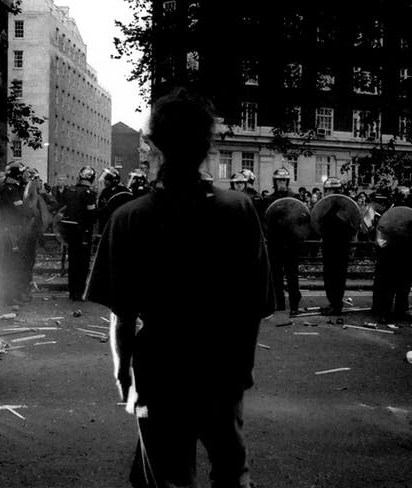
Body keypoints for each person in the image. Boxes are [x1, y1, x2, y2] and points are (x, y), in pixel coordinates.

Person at [86, 87, 274, 488]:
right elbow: (254, 304)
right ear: (207, 146)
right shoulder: (238, 211)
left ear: (154, 146)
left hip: (161, 367)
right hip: (222, 363)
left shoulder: (128, 219)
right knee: (230, 469)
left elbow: (122, 316)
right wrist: (242, 367)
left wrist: (125, 375)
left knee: (167, 475)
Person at [265, 166, 303, 314]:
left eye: (284, 180)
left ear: (287, 182)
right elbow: (265, 221)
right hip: (275, 242)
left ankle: (294, 305)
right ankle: (279, 303)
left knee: (292, 276)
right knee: (276, 276)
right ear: (275, 182)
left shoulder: (295, 199)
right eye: (279, 180)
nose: (281, 183)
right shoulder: (268, 199)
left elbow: (302, 219)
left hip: (291, 242)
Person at [318, 177, 355, 315]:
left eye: (331, 191)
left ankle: (336, 305)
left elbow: (353, 226)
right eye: (327, 190)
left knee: (337, 278)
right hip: (328, 246)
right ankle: (332, 303)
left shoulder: (345, 208)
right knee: (329, 277)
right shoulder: (324, 207)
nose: (329, 193)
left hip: (340, 247)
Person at [0, 161, 33, 304]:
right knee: (12, 265)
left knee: (15, 264)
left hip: (14, 229)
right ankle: (10, 296)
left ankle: (14, 294)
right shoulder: (11, 189)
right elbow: (19, 210)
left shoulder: (12, 188)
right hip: (12, 230)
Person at [61, 166, 97, 301]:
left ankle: (72, 291)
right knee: (82, 263)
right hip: (84, 232)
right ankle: (79, 292)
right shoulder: (89, 193)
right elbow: (91, 214)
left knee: (73, 261)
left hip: (70, 231)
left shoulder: (69, 191)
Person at [96, 167, 130, 233]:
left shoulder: (122, 192)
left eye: (107, 180)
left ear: (113, 180)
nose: (105, 182)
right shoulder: (106, 191)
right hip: (105, 224)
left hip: (114, 225)